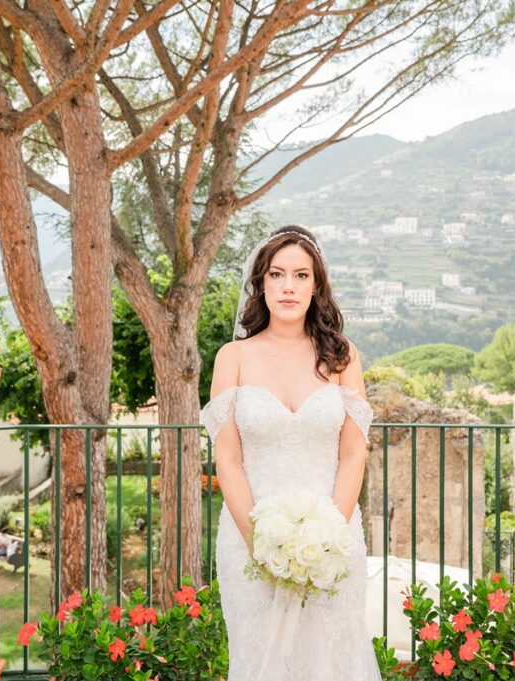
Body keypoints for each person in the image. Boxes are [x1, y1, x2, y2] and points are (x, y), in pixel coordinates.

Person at [200, 226, 381, 680]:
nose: (288, 286)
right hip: (249, 541)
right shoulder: (232, 357)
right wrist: (259, 544)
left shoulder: (343, 357)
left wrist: (328, 540)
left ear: (316, 285)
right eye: (277, 274)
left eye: (301, 275)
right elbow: (229, 460)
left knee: (333, 661)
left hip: (335, 540)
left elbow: (354, 453)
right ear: (261, 283)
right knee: (262, 661)